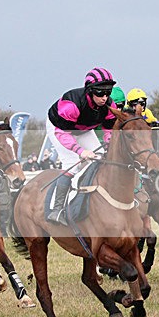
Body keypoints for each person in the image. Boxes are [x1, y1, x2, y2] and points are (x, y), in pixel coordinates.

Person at [45, 67, 118, 224]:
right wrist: (80, 150)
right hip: (59, 128)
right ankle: (56, 210)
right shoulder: (71, 106)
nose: (105, 97)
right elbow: (62, 133)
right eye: (100, 93)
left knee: (99, 159)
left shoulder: (109, 106)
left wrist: (109, 143)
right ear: (90, 91)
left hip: (83, 129)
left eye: (108, 92)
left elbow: (109, 129)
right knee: (72, 163)